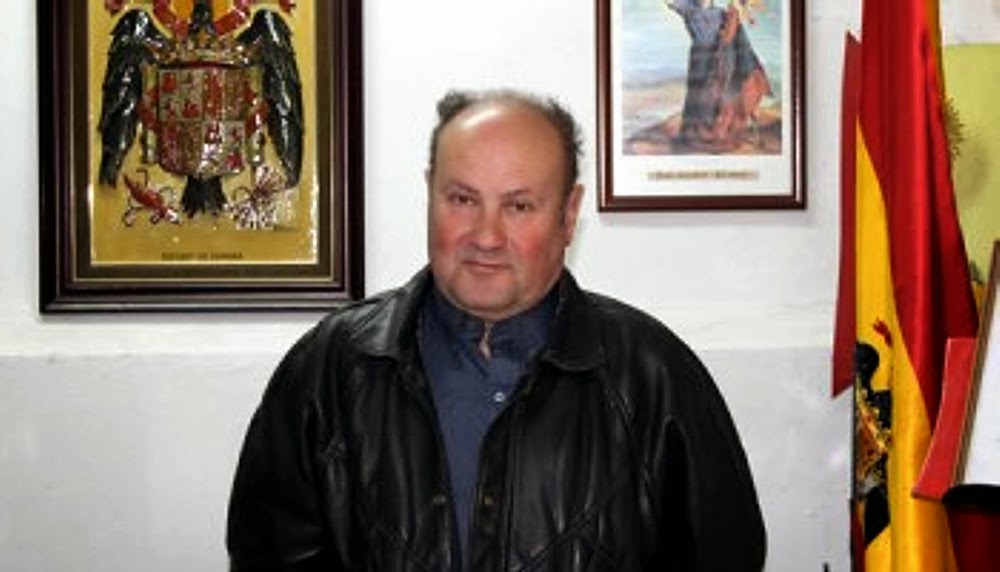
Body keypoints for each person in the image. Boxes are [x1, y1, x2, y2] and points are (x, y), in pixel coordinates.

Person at [226, 88, 766, 571]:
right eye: (463, 199)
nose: (486, 236)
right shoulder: (329, 370)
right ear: (429, 194)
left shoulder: (655, 378)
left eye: (519, 206)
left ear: (569, 214)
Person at [667, 0, 772, 149]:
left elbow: (732, 29)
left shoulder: (720, 13)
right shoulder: (688, 8)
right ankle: (692, 131)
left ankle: (710, 128)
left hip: (714, 57)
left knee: (711, 94)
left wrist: (744, 16)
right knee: (696, 94)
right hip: (698, 58)